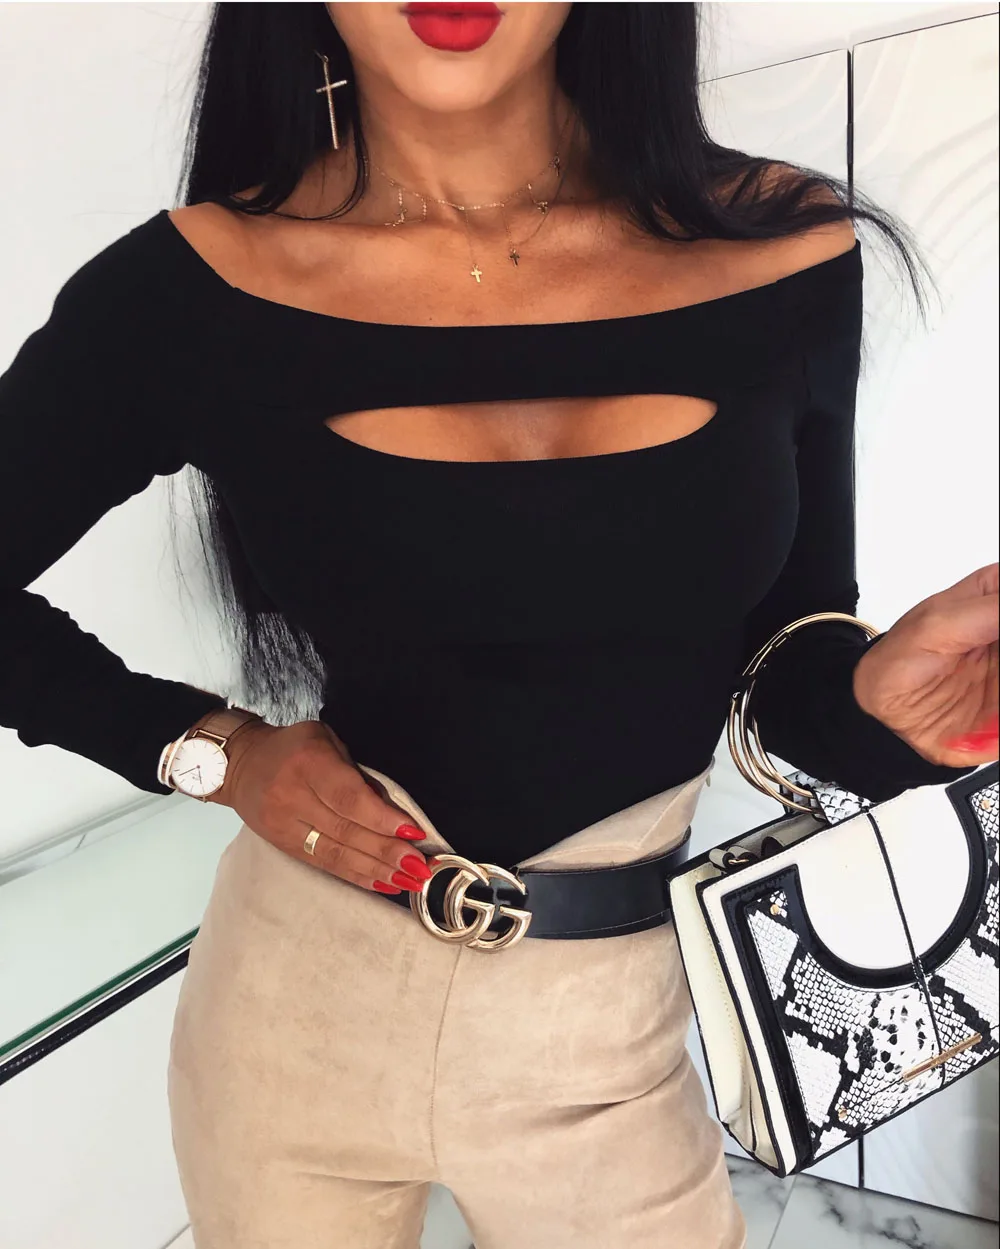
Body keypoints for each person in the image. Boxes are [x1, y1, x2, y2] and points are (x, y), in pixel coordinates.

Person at [1, 4, 997, 1247]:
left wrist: (879, 710)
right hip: (291, 1025)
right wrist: (213, 751)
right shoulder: (194, 286)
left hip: (601, 1050)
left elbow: (783, 650)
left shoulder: (781, 249)